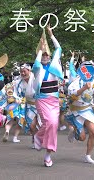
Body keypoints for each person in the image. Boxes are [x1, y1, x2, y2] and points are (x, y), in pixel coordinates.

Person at [32, 25, 63, 167]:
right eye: (43, 55)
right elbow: (36, 63)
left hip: (54, 100)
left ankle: (47, 154)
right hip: (42, 99)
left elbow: (59, 49)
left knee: (53, 124)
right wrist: (40, 49)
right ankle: (39, 137)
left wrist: (51, 35)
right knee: (50, 122)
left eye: (47, 55)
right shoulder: (37, 69)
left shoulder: (55, 66)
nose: (45, 57)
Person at [66, 52, 94, 164]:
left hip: (87, 109)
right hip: (75, 111)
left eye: (90, 68)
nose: (88, 71)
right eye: (85, 68)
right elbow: (71, 98)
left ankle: (88, 156)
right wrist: (83, 88)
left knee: (93, 132)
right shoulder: (75, 81)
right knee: (82, 137)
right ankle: (73, 130)